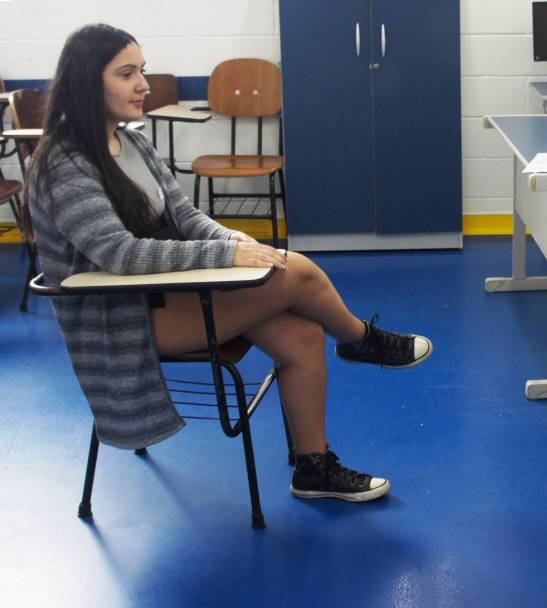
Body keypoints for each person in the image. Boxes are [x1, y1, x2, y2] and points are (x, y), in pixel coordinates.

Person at [29, 24, 433, 503]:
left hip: (164, 293)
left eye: (142, 70)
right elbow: (122, 254)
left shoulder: (133, 143)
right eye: (126, 73)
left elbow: (184, 215)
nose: (143, 84)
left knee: (303, 335)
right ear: (86, 81)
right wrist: (226, 254)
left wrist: (227, 237)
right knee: (298, 272)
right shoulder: (65, 162)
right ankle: (359, 338)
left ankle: (314, 468)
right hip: (120, 316)